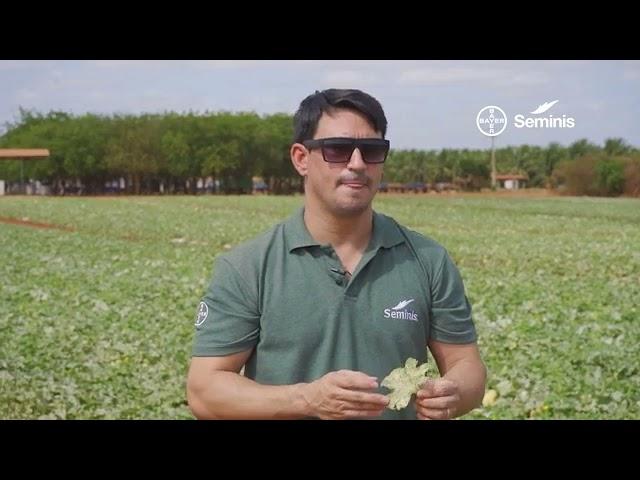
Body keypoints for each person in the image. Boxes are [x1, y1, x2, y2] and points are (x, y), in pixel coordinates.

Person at [187, 88, 486, 420]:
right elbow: (204, 392)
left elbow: (466, 365)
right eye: (338, 150)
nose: (357, 164)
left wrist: (454, 393)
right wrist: (307, 399)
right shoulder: (248, 267)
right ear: (301, 158)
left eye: (372, 151)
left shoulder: (428, 260)